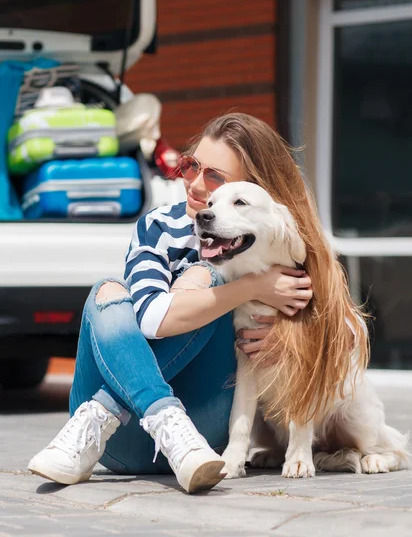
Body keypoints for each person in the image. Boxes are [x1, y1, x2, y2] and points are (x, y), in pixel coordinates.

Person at [28, 113, 363, 494]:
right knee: (107, 292)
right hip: (116, 441)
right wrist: (253, 287)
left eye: (217, 178)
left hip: (202, 434)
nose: (197, 186)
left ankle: (119, 410)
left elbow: (348, 333)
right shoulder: (158, 227)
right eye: (191, 166)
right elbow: (152, 319)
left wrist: (292, 338)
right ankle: (131, 413)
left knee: (209, 275)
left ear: (254, 192)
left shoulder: (280, 242)